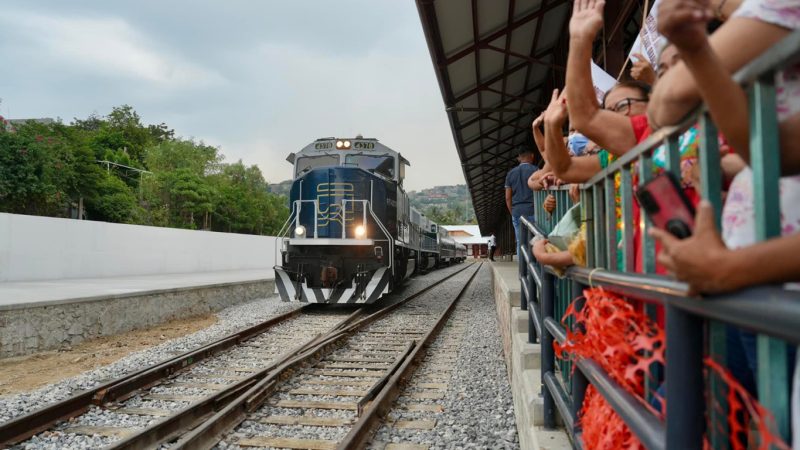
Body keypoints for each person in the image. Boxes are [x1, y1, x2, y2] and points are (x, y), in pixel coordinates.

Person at [505, 145, 539, 259]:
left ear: (519, 158)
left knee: (521, 242)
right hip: (534, 211)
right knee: (537, 240)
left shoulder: (510, 174)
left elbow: (508, 198)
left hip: (517, 212)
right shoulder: (536, 170)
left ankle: (523, 272)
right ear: (532, 156)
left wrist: (512, 212)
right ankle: (535, 270)